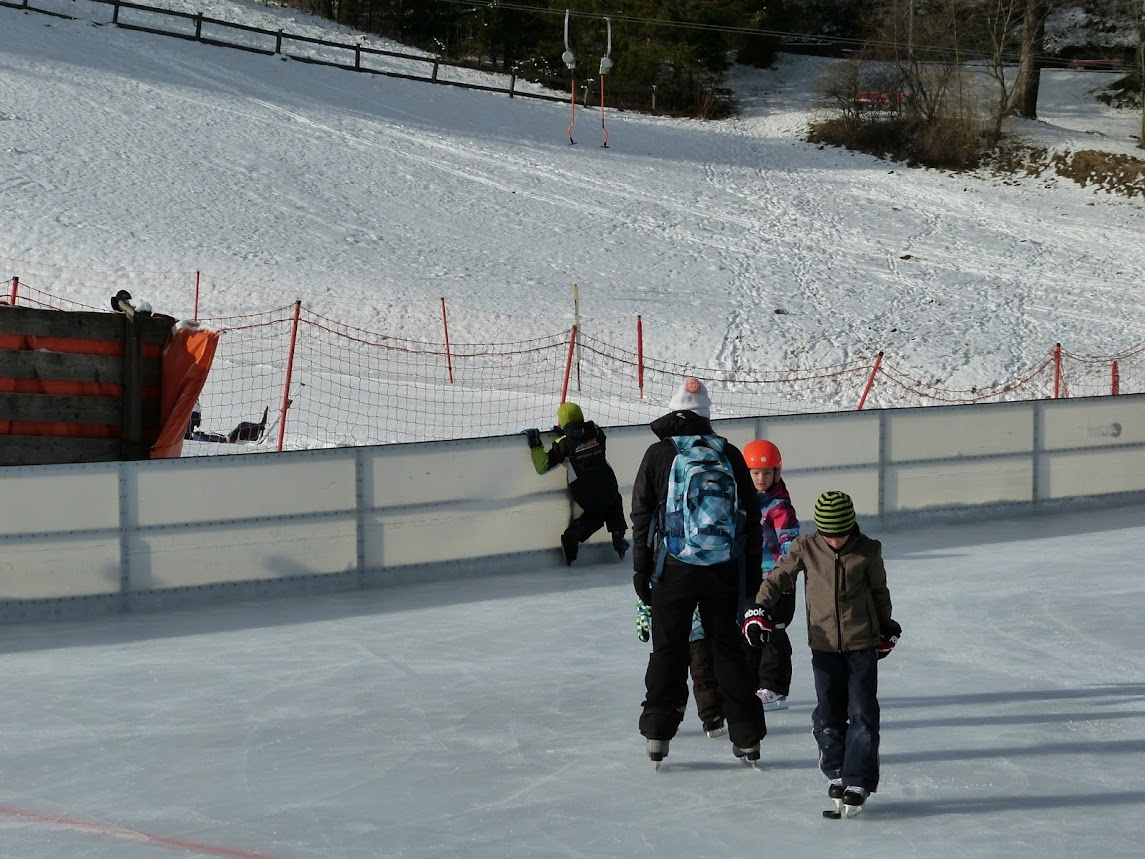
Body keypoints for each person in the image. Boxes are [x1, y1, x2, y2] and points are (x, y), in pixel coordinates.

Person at [631, 376, 766, 766]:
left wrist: (641, 571)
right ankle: (746, 737)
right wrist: (751, 576)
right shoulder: (730, 454)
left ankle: (658, 732)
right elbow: (751, 518)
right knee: (726, 649)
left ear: (676, 414)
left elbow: (642, 516)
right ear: (707, 417)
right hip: (723, 569)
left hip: (672, 568)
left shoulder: (659, 455)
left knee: (669, 649)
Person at [742, 490, 902, 814]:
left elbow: (879, 592)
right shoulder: (806, 547)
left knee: (863, 712)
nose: (835, 541)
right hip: (824, 645)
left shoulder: (869, 551)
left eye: (841, 534)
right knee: (829, 712)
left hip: (862, 644)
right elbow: (778, 577)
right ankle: (837, 771)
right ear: (820, 530)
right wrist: (757, 608)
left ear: (851, 527)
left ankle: (858, 779)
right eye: (829, 534)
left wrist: (886, 627)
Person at [525, 401, 628, 565]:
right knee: (614, 502)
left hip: (584, 488)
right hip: (607, 481)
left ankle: (571, 537)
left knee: (594, 515)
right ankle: (618, 537)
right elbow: (583, 437)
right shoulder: (596, 431)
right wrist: (566, 432)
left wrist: (535, 443)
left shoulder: (563, 443)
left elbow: (542, 466)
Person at [741, 439, 800, 711]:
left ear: (776, 473)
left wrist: (785, 574)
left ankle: (774, 688)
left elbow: (789, 542)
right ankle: (753, 683)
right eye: (755, 473)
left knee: (773, 630)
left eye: (766, 473)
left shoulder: (780, 507)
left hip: (775, 581)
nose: (761, 479)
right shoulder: (742, 502)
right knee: (750, 630)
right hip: (750, 577)